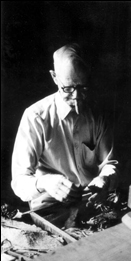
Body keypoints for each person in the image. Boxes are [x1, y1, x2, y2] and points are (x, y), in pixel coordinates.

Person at [11, 43, 119, 210]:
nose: (76, 97)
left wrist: (105, 178)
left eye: (83, 87)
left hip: (90, 201)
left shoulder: (97, 114)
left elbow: (110, 162)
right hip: (50, 205)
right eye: (68, 88)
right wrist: (45, 182)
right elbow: (19, 182)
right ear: (54, 77)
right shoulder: (36, 117)